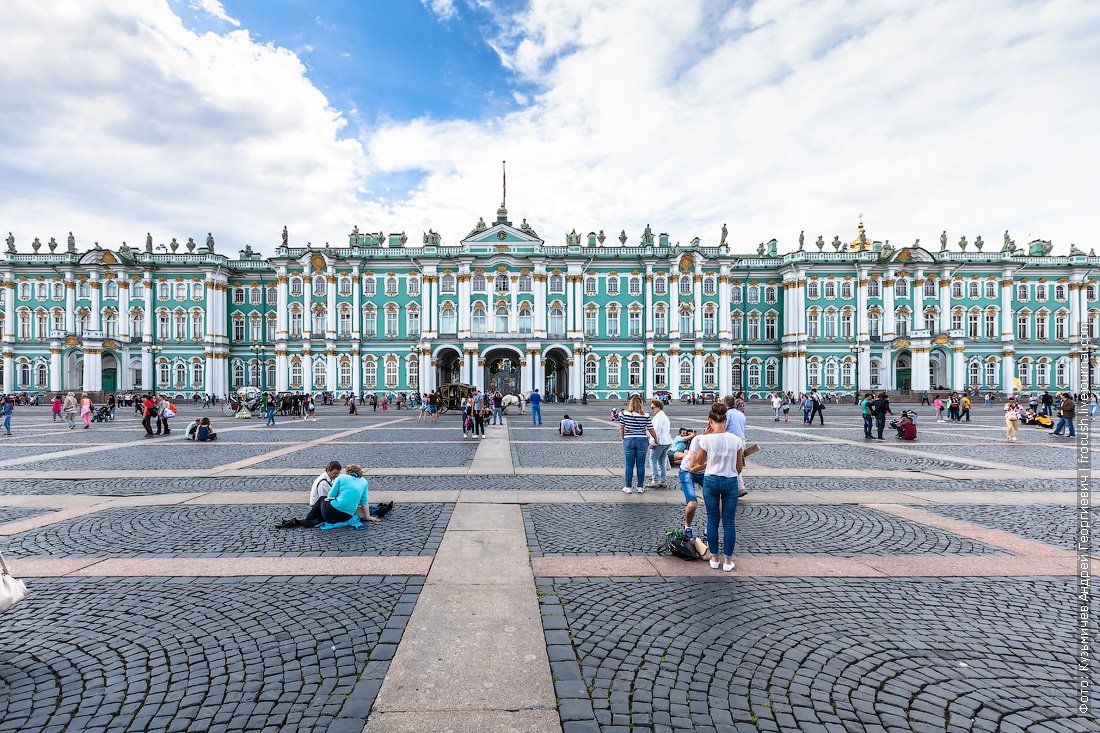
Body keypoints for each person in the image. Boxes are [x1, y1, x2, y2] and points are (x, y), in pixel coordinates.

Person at [689, 402, 745, 572]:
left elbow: (699, 462)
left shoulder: (706, 439)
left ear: (710, 421)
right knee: (729, 522)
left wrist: (706, 440)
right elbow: (738, 468)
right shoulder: (736, 440)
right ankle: (727, 561)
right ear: (725, 420)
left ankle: (714, 558)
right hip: (730, 481)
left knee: (712, 520)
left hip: (711, 480)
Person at [275, 464, 393, 529]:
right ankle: (378, 511)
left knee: (322, 499)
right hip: (346, 516)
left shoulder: (341, 478)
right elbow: (364, 501)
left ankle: (307, 519)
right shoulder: (364, 482)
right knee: (354, 507)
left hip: (332, 512)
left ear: (347, 472)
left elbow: (330, 496)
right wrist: (368, 517)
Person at [619, 395, 656, 494]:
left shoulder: (625, 414)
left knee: (629, 465)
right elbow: (651, 429)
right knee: (640, 465)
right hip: (642, 440)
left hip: (629, 439)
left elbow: (621, 428)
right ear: (641, 403)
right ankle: (640, 487)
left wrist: (623, 438)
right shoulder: (646, 415)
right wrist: (656, 439)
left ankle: (628, 487)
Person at [646, 399, 673, 489]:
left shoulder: (658, 417)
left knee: (652, 459)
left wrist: (653, 442)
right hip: (666, 441)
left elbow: (656, 430)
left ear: (658, 407)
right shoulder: (663, 416)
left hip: (660, 441)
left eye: (653, 407)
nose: (652, 409)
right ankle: (663, 481)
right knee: (662, 461)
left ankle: (656, 480)